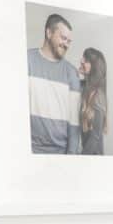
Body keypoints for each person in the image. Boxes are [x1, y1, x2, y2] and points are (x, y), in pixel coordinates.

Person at [28, 13, 81, 154]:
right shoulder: (26, 61)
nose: (66, 44)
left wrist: (70, 159)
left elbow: (74, 124)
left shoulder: (71, 73)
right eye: (63, 38)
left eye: (69, 41)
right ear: (49, 33)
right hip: (30, 151)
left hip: (60, 153)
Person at [79, 47, 108, 155]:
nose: (81, 61)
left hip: (93, 156)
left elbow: (95, 136)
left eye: (86, 61)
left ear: (94, 67)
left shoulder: (98, 95)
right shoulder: (84, 88)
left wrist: (82, 158)